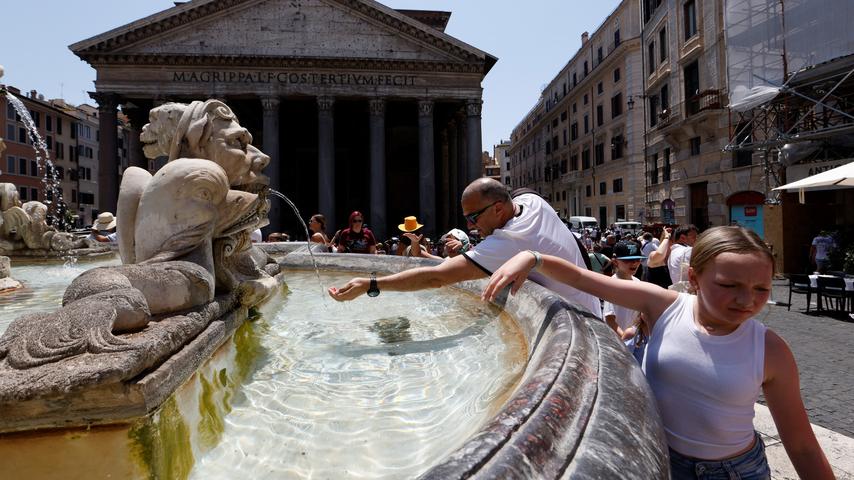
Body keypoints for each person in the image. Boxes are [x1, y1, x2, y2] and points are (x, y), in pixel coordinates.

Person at [482, 226, 833, 479]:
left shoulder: (770, 348)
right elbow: (582, 279)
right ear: (694, 278)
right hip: (658, 458)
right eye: (729, 286)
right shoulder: (663, 305)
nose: (747, 300)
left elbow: (801, 444)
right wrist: (531, 257)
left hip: (736, 471)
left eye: (761, 289)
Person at [328, 178, 600, 317]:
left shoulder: (507, 241)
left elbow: (438, 276)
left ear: (497, 208)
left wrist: (372, 284)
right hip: (590, 305)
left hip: (580, 319)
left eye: (473, 218)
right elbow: (518, 193)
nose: (471, 226)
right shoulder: (533, 202)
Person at [602, 241, 644, 341]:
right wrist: (624, 339)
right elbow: (610, 319)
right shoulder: (612, 284)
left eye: (637, 259)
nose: (634, 263)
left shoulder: (637, 281)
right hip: (619, 341)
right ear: (615, 261)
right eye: (627, 260)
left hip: (634, 339)